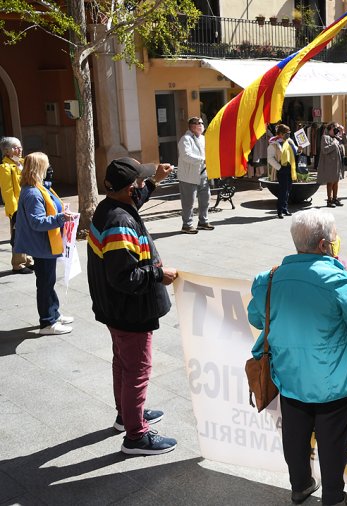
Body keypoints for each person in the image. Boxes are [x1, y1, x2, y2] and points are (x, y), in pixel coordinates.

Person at [248, 209, 347, 506]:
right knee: (333, 440)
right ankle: (333, 497)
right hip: (332, 381)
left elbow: (257, 318)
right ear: (324, 244)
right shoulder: (339, 281)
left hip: (289, 374)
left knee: (294, 435)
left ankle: (300, 486)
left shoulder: (268, 279)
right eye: (332, 239)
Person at [87, 158, 178, 455]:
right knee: (137, 369)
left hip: (115, 310)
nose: (140, 187)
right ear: (128, 189)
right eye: (138, 183)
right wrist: (157, 274)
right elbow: (124, 277)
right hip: (130, 310)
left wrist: (155, 181)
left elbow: (135, 200)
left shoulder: (108, 208)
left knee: (123, 364)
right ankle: (136, 436)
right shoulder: (120, 223)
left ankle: (125, 415)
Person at [14, 152, 75, 335]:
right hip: (42, 245)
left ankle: (53, 313)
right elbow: (37, 222)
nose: (50, 169)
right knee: (45, 283)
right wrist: (61, 217)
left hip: (46, 243)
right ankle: (47, 322)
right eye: (47, 165)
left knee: (48, 281)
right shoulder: (33, 193)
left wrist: (61, 212)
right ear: (39, 168)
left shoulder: (39, 187)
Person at [1, 136, 35, 274]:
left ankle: (28, 260)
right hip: (17, 207)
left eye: (20, 146)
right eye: (15, 147)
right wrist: (14, 211)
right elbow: (7, 191)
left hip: (28, 204)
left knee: (29, 233)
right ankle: (18, 263)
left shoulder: (22, 163)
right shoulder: (5, 168)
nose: (19, 149)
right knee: (19, 234)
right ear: (7, 151)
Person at [177, 117, 214, 234]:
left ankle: (203, 221)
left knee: (205, 199)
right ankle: (186, 225)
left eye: (202, 123)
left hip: (202, 174)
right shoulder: (185, 139)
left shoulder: (203, 138)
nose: (202, 125)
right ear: (192, 126)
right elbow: (186, 156)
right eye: (200, 123)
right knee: (189, 202)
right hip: (189, 176)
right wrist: (203, 160)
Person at [268, 123, 296, 218]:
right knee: (283, 190)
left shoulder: (289, 141)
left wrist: (299, 149)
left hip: (290, 168)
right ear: (280, 134)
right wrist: (279, 167)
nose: (288, 134)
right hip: (281, 169)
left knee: (288, 189)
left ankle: (285, 208)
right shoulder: (274, 144)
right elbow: (270, 158)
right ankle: (279, 210)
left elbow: (295, 150)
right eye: (286, 133)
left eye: (289, 132)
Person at [316, 122, 343, 207]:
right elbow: (324, 150)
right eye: (335, 128)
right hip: (329, 164)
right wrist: (334, 144)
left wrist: (343, 132)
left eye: (337, 129)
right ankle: (329, 200)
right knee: (330, 182)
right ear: (330, 129)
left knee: (336, 181)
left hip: (337, 164)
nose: (336, 130)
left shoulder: (337, 137)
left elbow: (345, 142)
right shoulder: (325, 137)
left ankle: (335, 198)